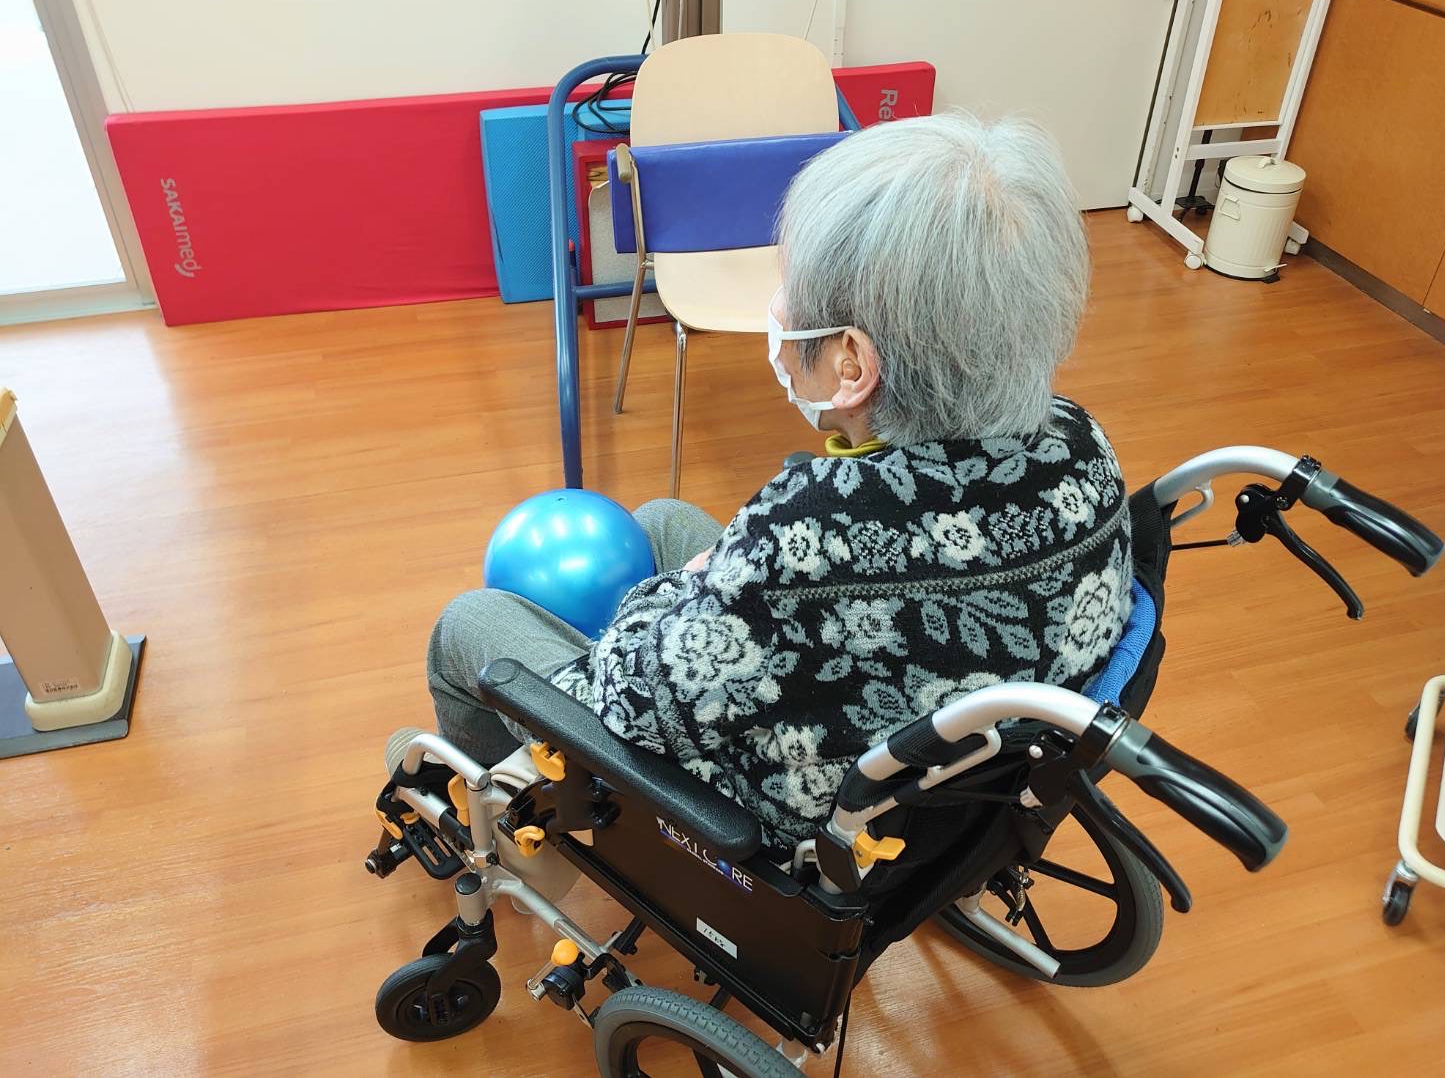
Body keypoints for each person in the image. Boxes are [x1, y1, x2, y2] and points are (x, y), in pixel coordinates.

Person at [424, 112, 1133, 847]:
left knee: (469, 623)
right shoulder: (1079, 438)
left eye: (790, 284)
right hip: (958, 777)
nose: (779, 307)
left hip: (785, 818)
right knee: (663, 519)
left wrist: (671, 594)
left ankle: (495, 811)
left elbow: (626, 701)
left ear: (852, 364)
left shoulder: (807, 537)